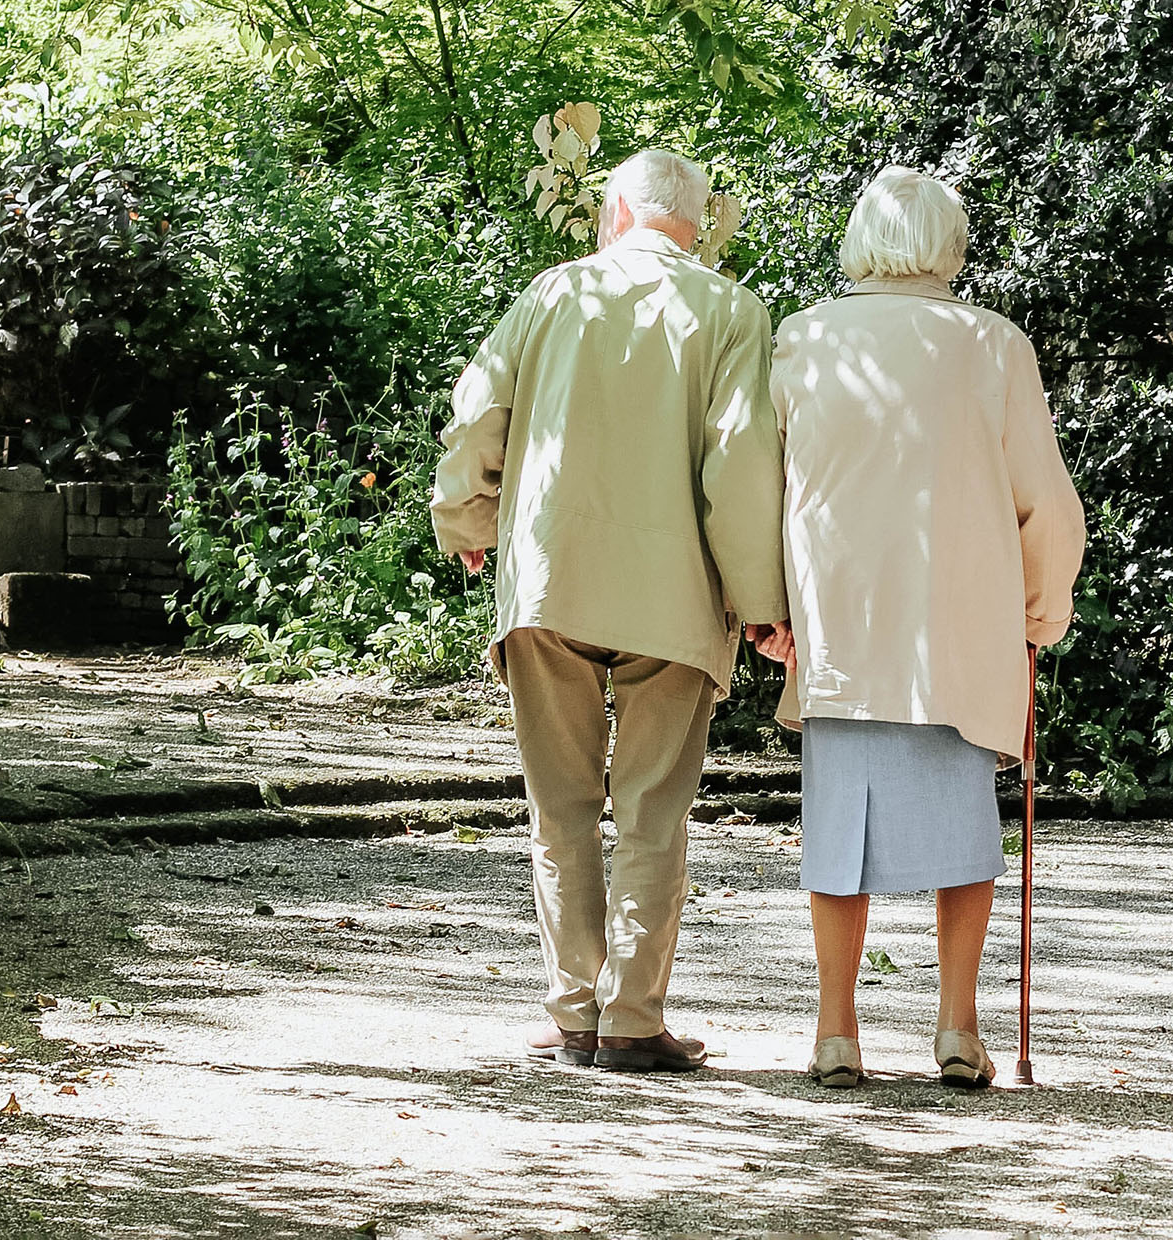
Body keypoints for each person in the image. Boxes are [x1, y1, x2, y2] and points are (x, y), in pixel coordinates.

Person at [431, 149, 790, 1074]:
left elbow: (479, 418)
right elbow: (741, 467)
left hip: (552, 581)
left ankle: (572, 1013)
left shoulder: (551, 294)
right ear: (699, 223)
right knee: (652, 810)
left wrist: (465, 517)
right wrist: (762, 604)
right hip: (673, 595)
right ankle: (632, 1020)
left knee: (560, 807)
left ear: (616, 211)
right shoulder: (732, 311)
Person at [757, 166, 1085, 1089]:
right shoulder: (992, 345)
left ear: (862, 239)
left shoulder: (804, 338)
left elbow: (762, 488)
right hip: (959, 626)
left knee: (836, 836)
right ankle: (956, 1027)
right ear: (951, 244)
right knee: (964, 835)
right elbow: (1046, 503)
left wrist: (767, 607)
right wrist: (1040, 609)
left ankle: (835, 1031)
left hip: (844, 623)